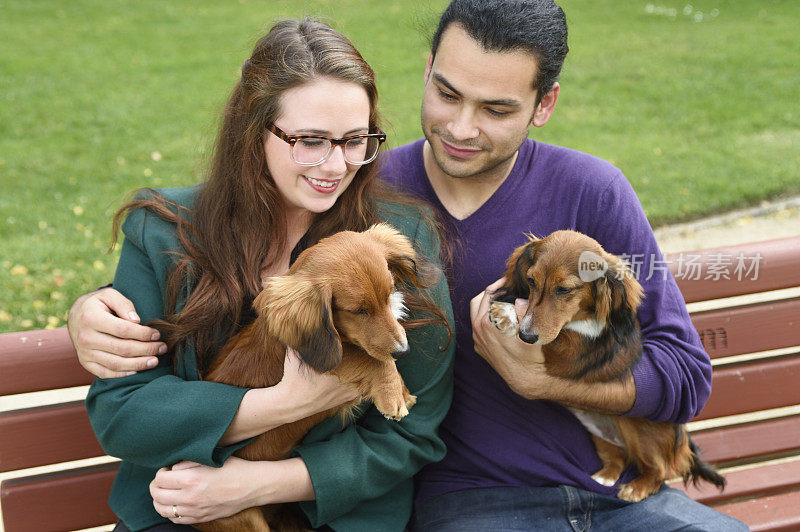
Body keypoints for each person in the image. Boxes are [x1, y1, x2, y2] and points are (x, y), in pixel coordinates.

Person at [70, 2, 747, 531]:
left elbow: (684, 371)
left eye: (497, 108)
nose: (459, 126)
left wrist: (545, 381)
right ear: (425, 70)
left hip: (599, 494)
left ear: (545, 105)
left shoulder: (552, 200)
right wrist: (89, 312)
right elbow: (128, 398)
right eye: (447, 93)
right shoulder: (341, 201)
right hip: (456, 506)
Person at [77, 18, 455, 532]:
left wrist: (257, 485)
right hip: (184, 508)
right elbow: (125, 416)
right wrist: (281, 404)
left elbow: (414, 432)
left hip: (335, 515)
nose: (336, 165)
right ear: (255, 131)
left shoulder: (395, 241)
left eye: (355, 139)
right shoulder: (165, 232)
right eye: (310, 140)